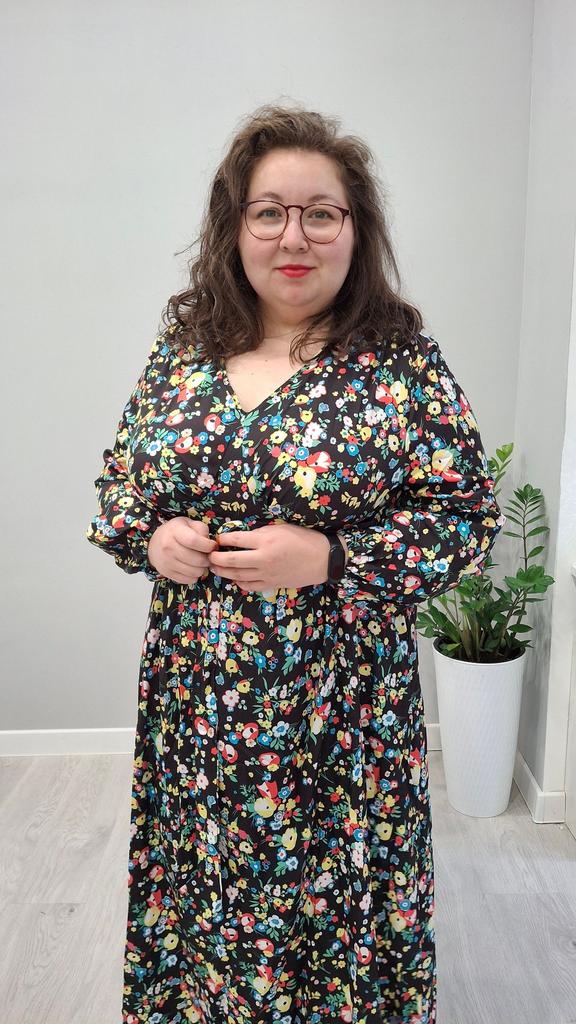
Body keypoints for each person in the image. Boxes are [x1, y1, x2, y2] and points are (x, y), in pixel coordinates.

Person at [86, 103, 505, 1024]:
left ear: (356, 229)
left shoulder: (400, 364)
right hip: (198, 704)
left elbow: (468, 518)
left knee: (334, 906)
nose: (294, 236)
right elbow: (119, 486)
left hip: (340, 713)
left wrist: (333, 556)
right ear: (234, 227)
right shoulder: (184, 353)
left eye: (322, 213)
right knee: (207, 893)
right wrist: (152, 537)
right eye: (269, 212)